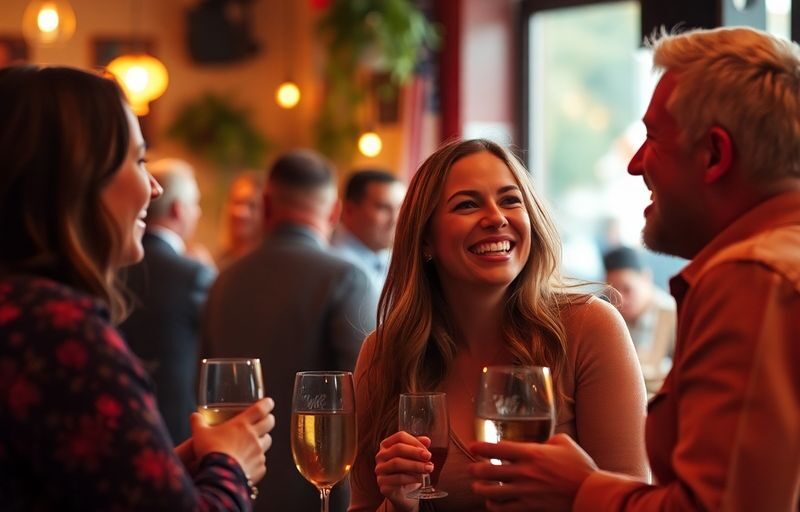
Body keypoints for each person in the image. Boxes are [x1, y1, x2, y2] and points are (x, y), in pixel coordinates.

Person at [469, 27, 800, 511]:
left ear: (715, 154)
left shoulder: (752, 279)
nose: (635, 164)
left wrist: (581, 489)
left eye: (652, 137)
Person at [0, 65, 274, 510]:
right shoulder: (59, 329)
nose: (154, 187)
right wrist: (230, 465)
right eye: (139, 160)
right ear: (78, 176)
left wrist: (169, 470)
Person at [348, 138, 648, 512]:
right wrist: (398, 505)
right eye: (467, 204)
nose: (496, 218)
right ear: (425, 239)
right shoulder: (385, 353)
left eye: (510, 200)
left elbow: (631, 500)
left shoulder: (590, 327)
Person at [203, 149, 378, 512]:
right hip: (320, 494)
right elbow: (367, 394)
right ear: (334, 212)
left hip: (236, 488)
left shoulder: (223, 280)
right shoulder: (346, 279)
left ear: (266, 205)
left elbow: (203, 388)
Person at [119, 158, 217, 443]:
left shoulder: (112, 268)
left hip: (118, 418)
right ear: (178, 209)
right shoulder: (193, 274)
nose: (198, 213)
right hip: (175, 429)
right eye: (196, 204)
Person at [603, 245, 676, 389]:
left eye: (627, 289)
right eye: (613, 293)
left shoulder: (672, 314)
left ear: (646, 278)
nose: (620, 300)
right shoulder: (608, 313)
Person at [331, 169, 406, 293]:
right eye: (383, 208)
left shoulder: (400, 263)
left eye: (401, 208)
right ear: (349, 210)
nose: (396, 219)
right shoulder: (332, 264)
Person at [217, 171, 264, 270]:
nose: (241, 212)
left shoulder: (266, 265)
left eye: (252, 206)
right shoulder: (222, 260)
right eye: (237, 203)